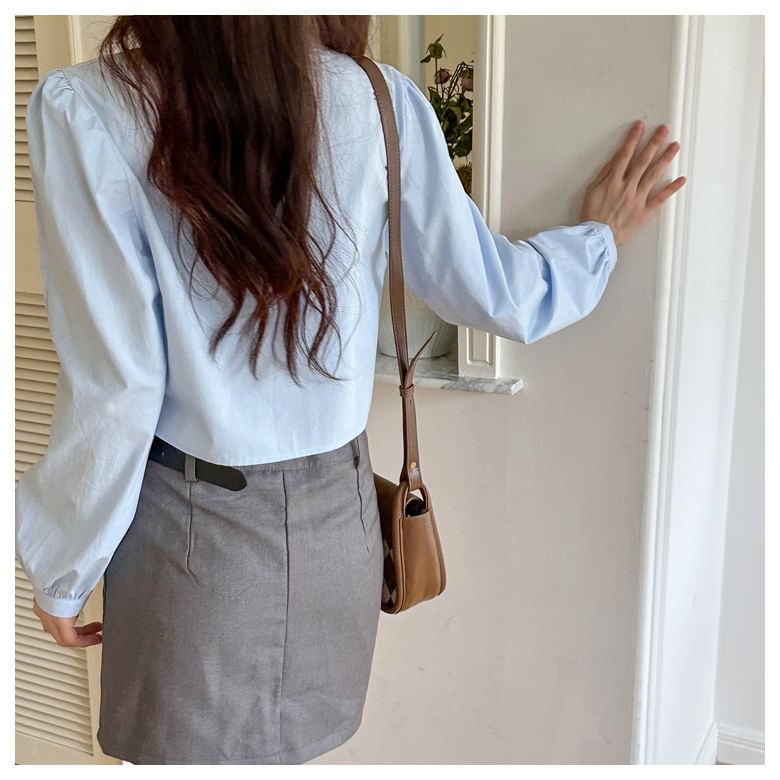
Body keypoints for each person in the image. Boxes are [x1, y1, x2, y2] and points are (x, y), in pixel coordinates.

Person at [14, 15, 686, 765]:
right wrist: (597, 242)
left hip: (193, 541)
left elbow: (118, 387)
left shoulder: (89, 106)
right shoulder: (376, 98)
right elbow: (495, 291)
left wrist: (64, 572)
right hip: (340, 528)